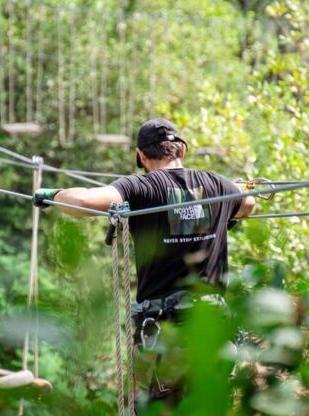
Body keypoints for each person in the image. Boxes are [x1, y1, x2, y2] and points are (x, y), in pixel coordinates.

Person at [33, 118, 256, 406]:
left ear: (141, 155)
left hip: (166, 336)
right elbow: (249, 204)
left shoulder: (140, 187)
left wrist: (53, 195)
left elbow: (86, 203)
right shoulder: (217, 185)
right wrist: (228, 209)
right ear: (182, 152)